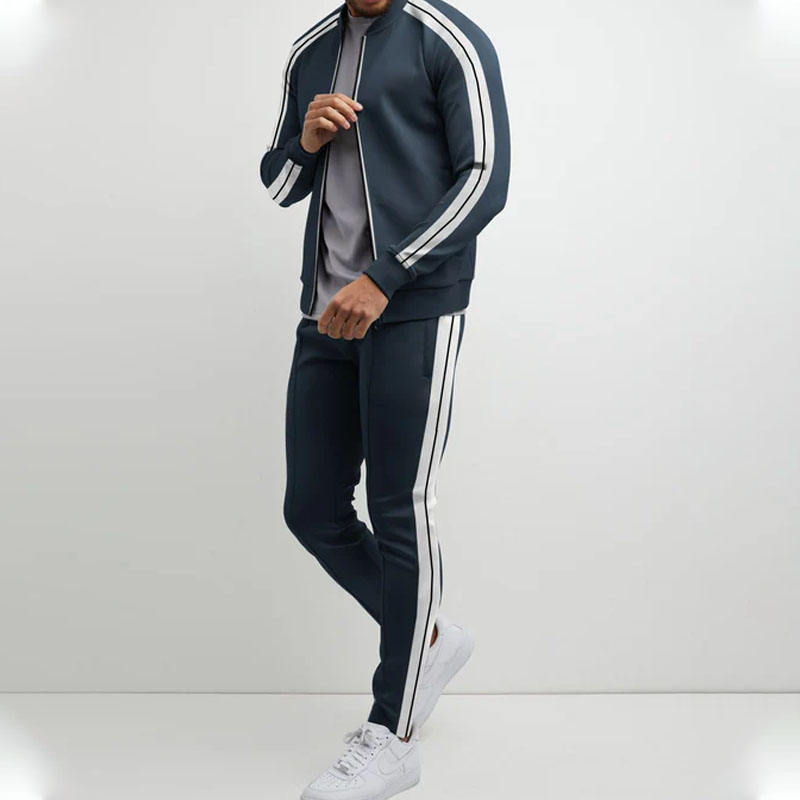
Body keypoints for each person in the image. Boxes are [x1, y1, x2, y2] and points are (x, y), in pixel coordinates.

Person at [260, 0, 510, 797]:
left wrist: (388, 274)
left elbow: (485, 179)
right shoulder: (311, 49)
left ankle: (393, 735)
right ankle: (428, 640)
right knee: (312, 509)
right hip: (326, 312)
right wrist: (305, 142)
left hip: (411, 309)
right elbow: (279, 185)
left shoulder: (448, 39)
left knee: (401, 507)